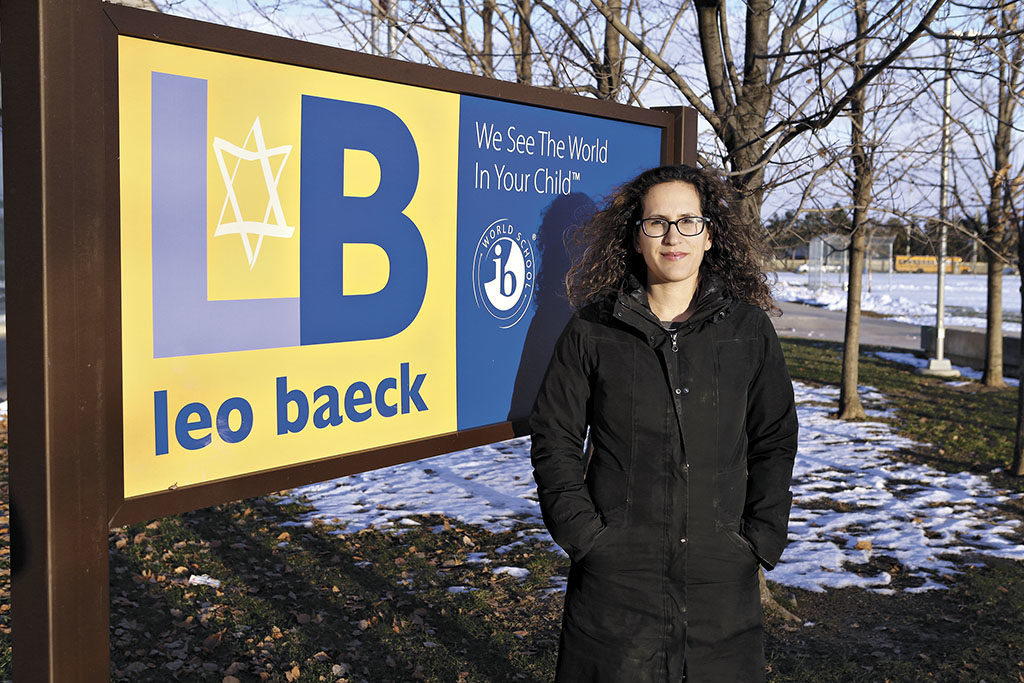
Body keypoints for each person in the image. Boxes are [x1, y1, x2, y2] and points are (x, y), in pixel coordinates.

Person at [530, 164, 798, 682]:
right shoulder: (593, 329)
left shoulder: (747, 330)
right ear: (636, 237)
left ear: (709, 235)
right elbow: (554, 436)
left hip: (720, 574)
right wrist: (585, 536)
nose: (673, 237)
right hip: (617, 577)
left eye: (687, 221)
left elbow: (775, 437)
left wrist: (760, 538)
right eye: (656, 223)